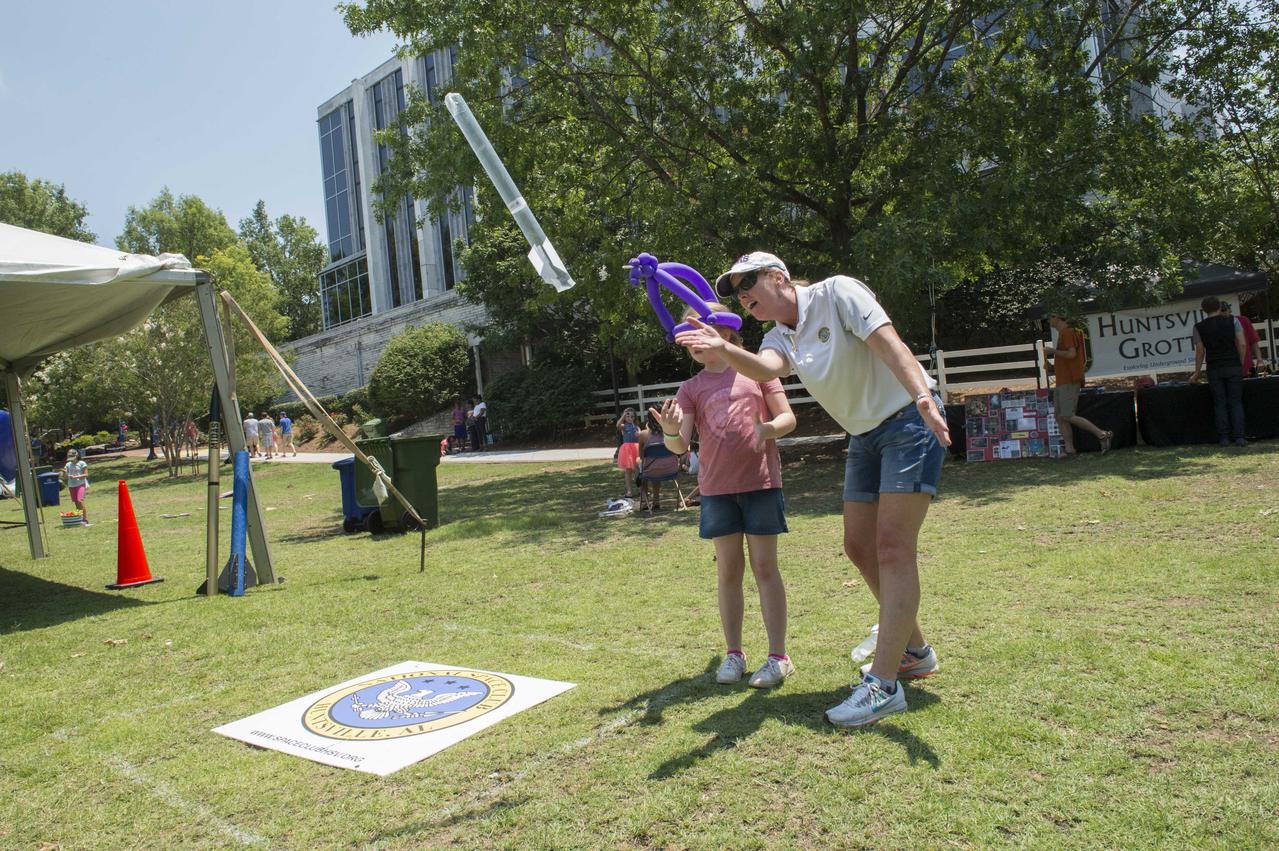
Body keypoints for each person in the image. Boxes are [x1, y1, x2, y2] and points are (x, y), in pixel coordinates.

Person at [675, 251, 949, 727]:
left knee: (891, 548)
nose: (743, 296)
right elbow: (765, 369)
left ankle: (884, 687)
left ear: (778, 276)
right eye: (736, 293)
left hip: (907, 420)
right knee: (859, 546)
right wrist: (720, 350)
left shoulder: (837, 292)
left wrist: (922, 395)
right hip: (864, 435)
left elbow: (890, 344)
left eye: (748, 284)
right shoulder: (779, 336)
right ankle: (915, 652)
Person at [655, 302, 797, 688]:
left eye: (700, 331)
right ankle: (734, 653)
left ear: (728, 333)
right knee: (728, 573)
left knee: (766, 569)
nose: (694, 342)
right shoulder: (691, 388)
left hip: (762, 484)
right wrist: (669, 430)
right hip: (717, 492)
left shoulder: (756, 372)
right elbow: (680, 447)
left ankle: (778, 657)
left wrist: (767, 430)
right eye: (687, 337)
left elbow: (788, 417)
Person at [1045, 313, 1113, 456]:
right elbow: (1067, 359)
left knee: (1068, 415)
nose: (1048, 320)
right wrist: (1051, 367)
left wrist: (1052, 351)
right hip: (1062, 381)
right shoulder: (1063, 333)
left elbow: (1071, 354)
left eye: (1050, 317)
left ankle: (1102, 434)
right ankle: (1070, 449)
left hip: (1069, 381)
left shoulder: (1068, 332)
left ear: (1058, 318)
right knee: (1060, 417)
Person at [1192, 295, 1247, 446]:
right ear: (1219, 307)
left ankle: (1224, 437)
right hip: (1233, 364)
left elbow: (1200, 350)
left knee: (1219, 403)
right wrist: (1240, 363)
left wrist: (1197, 371)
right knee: (1236, 402)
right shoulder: (1233, 320)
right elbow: (1242, 343)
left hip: (1214, 367)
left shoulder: (1198, 327)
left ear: (1203, 310)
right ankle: (1240, 436)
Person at [638, 409, 681, 510]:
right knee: (656, 464)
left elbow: (641, 456)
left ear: (649, 419)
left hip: (651, 471)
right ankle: (656, 500)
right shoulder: (672, 432)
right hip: (672, 470)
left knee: (640, 466)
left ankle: (645, 500)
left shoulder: (643, 435)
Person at [615, 408, 642, 499]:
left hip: (636, 449)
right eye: (628, 416)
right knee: (628, 470)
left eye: (632, 416)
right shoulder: (624, 426)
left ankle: (641, 489)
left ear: (635, 417)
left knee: (638, 470)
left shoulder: (637, 427)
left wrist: (639, 434)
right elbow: (617, 425)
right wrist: (623, 415)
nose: (630, 418)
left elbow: (640, 437)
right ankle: (629, 491)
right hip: (627, 450)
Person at [60, 448, 90, 526]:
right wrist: (64, 473)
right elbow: (65, 477)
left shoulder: (82, 463)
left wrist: (77, 476)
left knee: (80, 500)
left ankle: (85, 519)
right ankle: (79, 519)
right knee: (76, 503)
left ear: (76, 455)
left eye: (72, 457)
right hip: (71, 485)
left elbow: (86, 474)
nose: (71, 459)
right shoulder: (68, 464)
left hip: (80, 484)